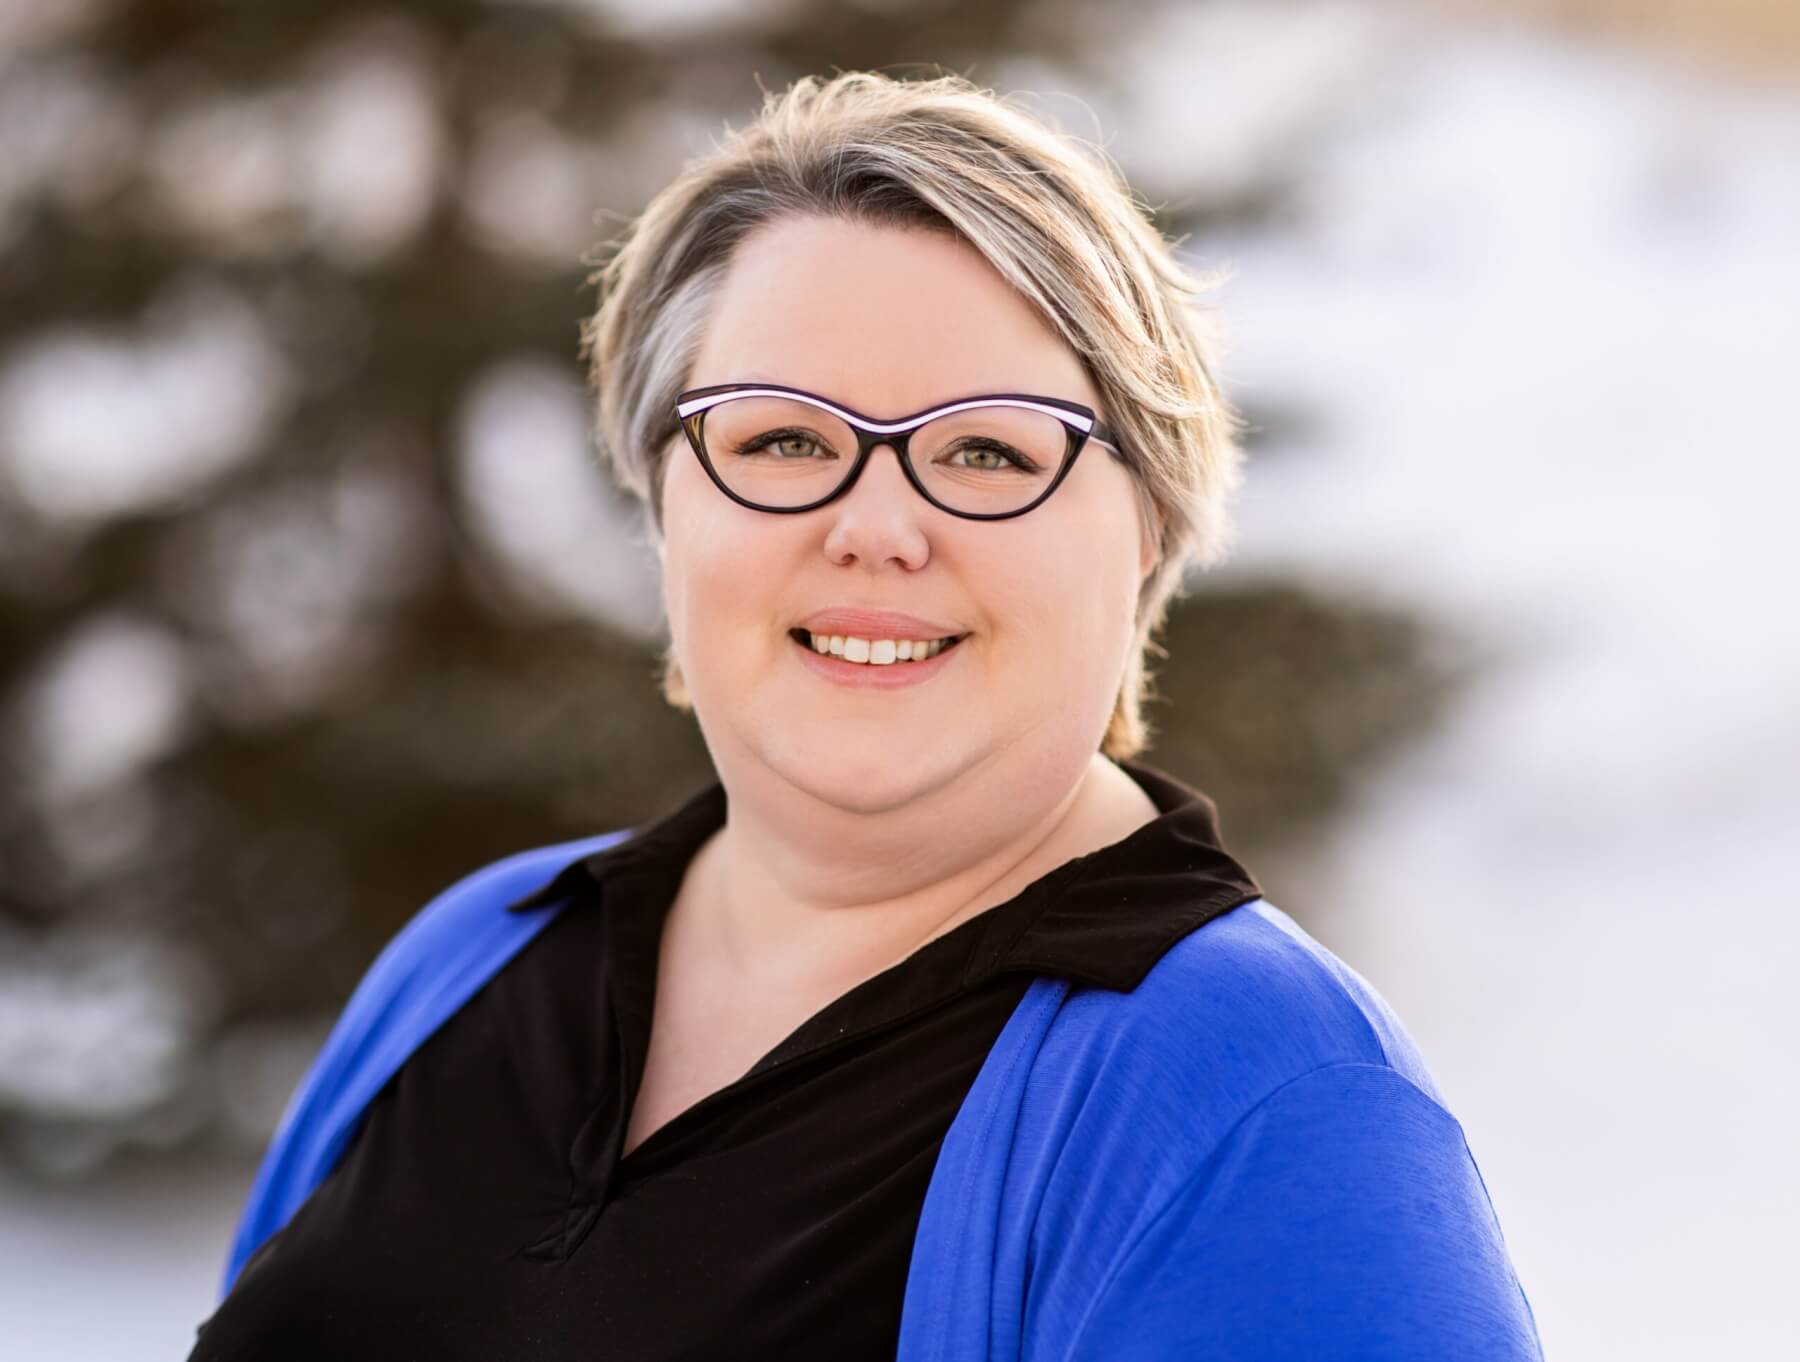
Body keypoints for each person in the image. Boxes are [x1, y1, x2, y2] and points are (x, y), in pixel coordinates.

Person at [194, 71, 1544, 1360]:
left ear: (1148, 527)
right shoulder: (473, 958)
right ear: (665, 501)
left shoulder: (1268, 1107)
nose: (876, 528)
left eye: (988, 451)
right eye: (781, 438)